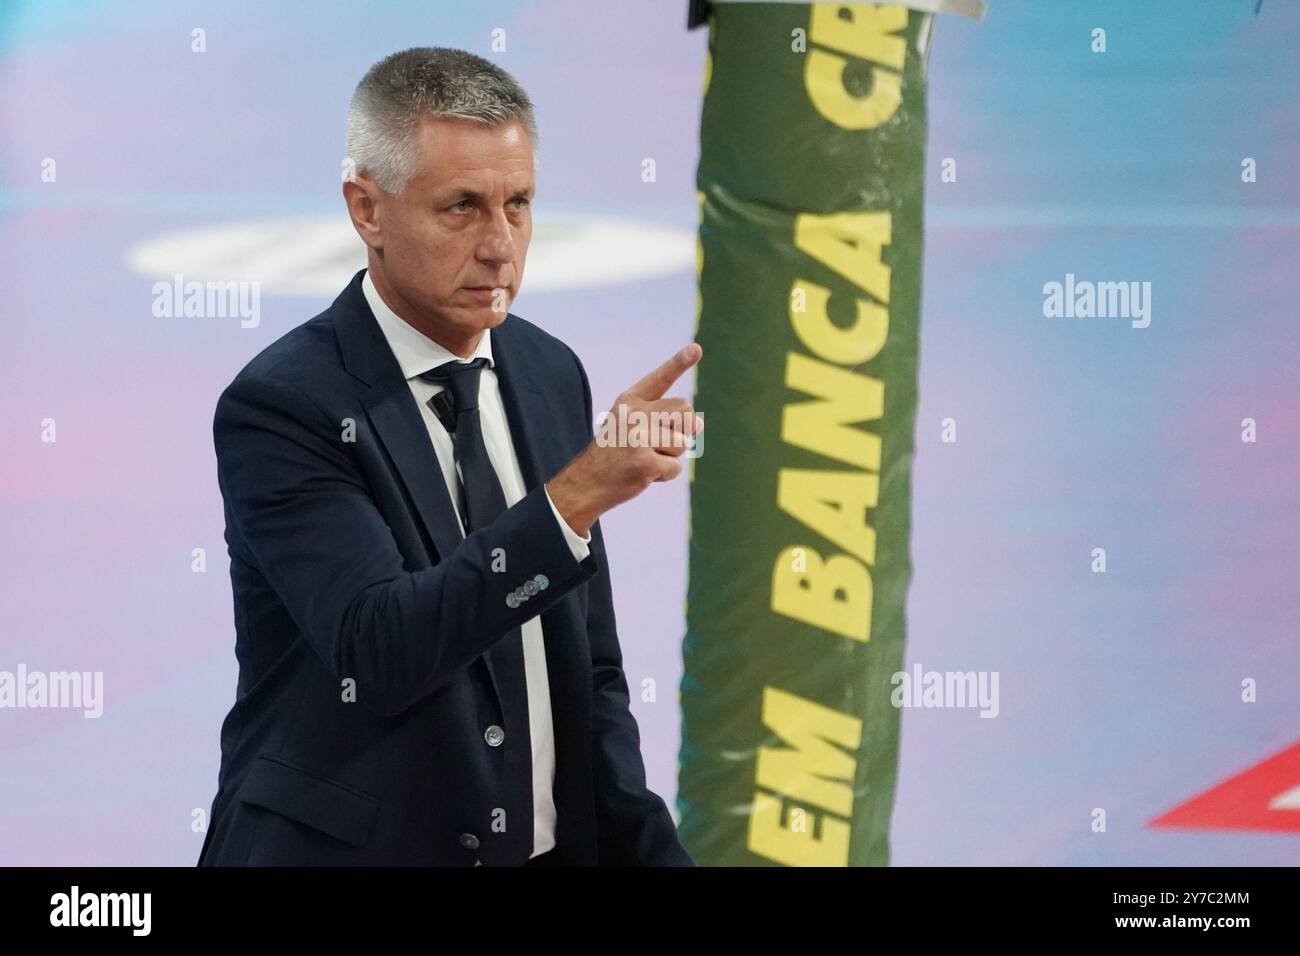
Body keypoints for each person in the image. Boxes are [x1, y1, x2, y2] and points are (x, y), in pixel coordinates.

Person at [197, 47, 702, 867]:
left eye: (520, 204)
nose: (501, 246)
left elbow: (588, 669)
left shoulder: (547, 371)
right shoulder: (284, 407)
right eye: (462, 207)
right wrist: (569, 501)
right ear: (366, 209)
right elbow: (382, 648)